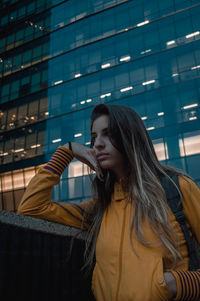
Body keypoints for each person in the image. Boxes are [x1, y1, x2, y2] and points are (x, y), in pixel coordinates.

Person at [18, 103, 200, 301]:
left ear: (130, 136)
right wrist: (66, 151)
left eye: (108, 134)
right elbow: (31, 208)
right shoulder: (100, 208)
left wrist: (174, 284)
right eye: (94, 137)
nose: (97, 144)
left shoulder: (176, 188)